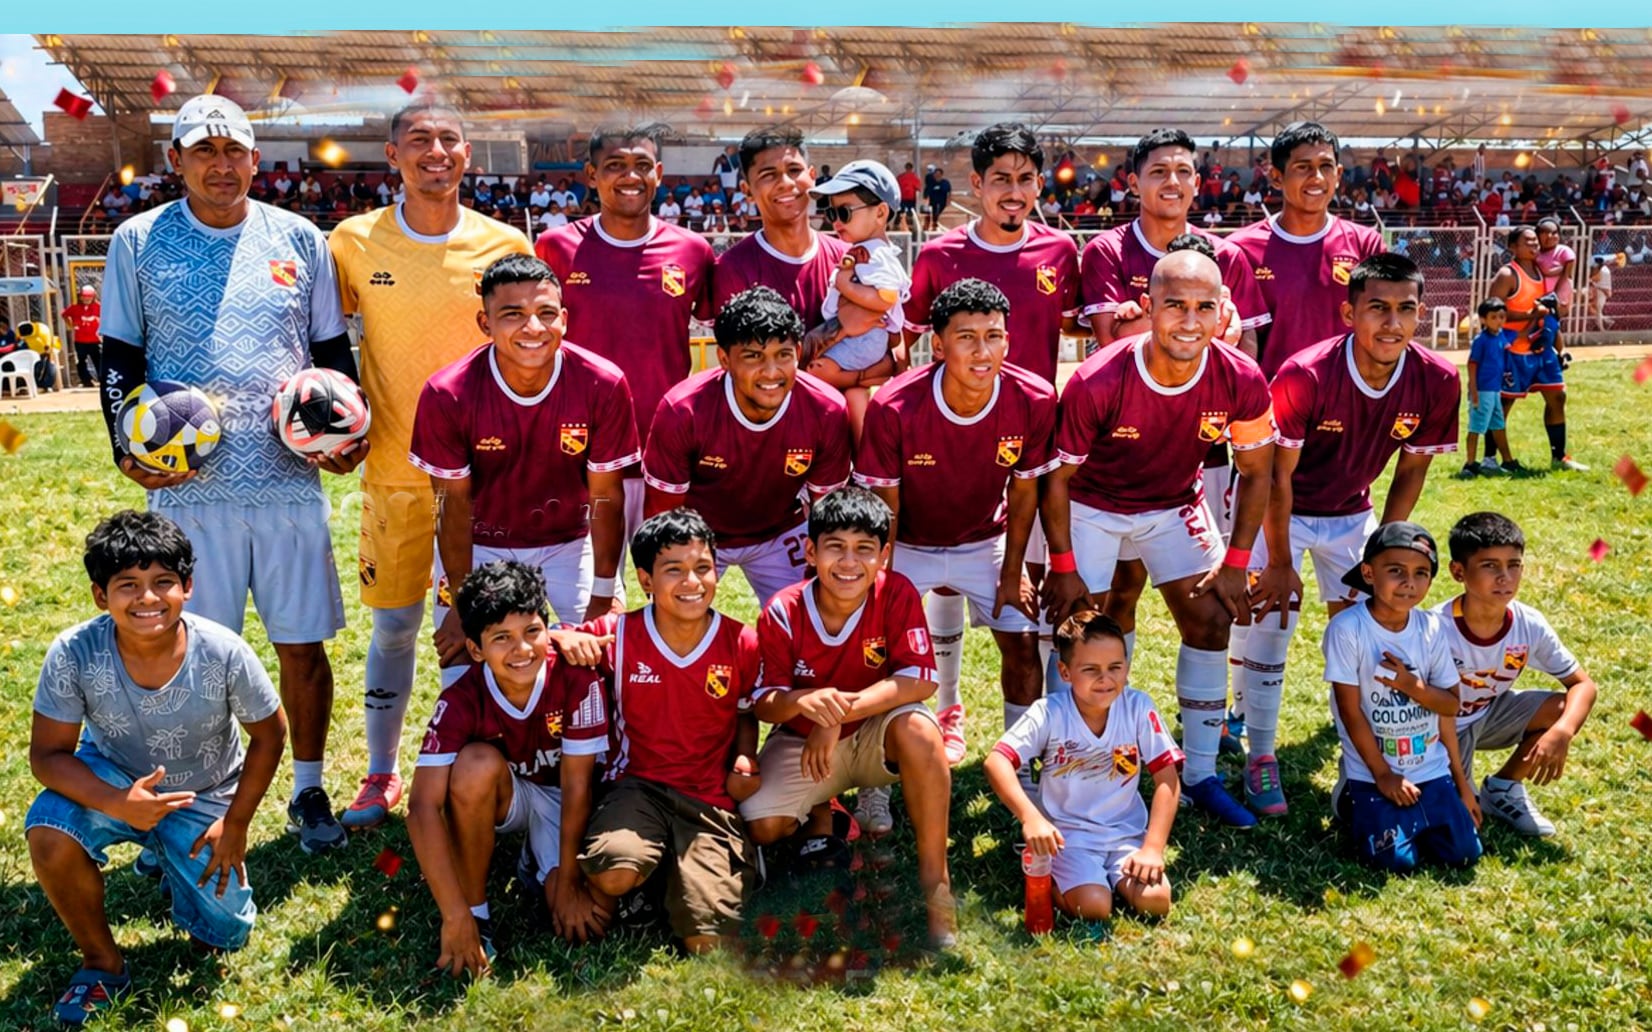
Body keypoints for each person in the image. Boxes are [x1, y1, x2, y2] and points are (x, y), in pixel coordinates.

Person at [97, 95, 359, 855]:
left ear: (253, 158)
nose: (220, 164)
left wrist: (347, 433)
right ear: (175, 160)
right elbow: (118, 356)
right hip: (188, 490)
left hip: (286, 481)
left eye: (233, 150)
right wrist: (125, 446)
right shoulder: (137, 240)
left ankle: (308, 790)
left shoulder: (301, 238)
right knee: (184, 655)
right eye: (202, 151)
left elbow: (331, 357)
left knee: (302, 645)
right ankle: (186, 804)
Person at [329, 99, 532, 831]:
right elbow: (323, 346)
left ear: (468, 154)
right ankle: (380, 774)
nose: (435, 151)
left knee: (471, 628)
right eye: (419, 140)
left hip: (485, 482)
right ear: (393, 155)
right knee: (393, 630)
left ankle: (462, 765)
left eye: (449, 139)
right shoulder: (353, 241)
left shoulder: (503, 240)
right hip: (392, 474)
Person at [1041, 249, 1277, 828]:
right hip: (1092, 506)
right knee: (1079, 631)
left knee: (1211, 619)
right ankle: (1064, 765)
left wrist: (1236, 561)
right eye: (1174, 305)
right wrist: (1065, 564)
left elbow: (1257, 472)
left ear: (1223, 312)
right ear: (1148, 308)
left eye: (1204, 307)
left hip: (1173, 504)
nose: (1189, 321)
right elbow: (1056, 479)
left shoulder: (1241, 377)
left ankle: (1198, 775)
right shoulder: (1100, 377)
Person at [27, 511, 286, 1026]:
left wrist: (234, 824)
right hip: (115, 779)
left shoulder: (224, 651)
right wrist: (118, 802)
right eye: (128, 585)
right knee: (50, 829)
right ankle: (102, 962)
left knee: (222, 934)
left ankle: (167, 855)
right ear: (101, 595)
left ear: (187, 586)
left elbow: (270, 735)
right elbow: (47, 756)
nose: (147, 598)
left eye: (162, 582)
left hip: (207, 794)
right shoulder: (74, 652)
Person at [1241, 254, 1460, 817]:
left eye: (1406, 310)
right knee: (1272, 623)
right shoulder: (1305, 373)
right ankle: (1259, 757)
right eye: (1378, 309)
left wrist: (1385, 547)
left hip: (1352, 517)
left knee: (1368, 638)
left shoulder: (1438, 378)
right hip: (1280, 509)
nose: (1392, 324)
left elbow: (1412, 468)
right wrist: (1282, 558)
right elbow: (1274, 476)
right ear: (1348, 313)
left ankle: (1362, 766)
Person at [738, 487, 957, 948]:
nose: (849, 562)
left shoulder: (895, 592)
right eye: (835, 547)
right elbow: (764, 701)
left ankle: (936, 885)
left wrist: (837, 712)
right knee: (761, 824)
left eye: (864, 549)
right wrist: (805, 703)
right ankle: (827, 812)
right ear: (812, 551)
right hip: (805, 744)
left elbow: (920, 680)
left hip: (875, 735)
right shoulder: (783, 609)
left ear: (884, 555)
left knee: (920, 728)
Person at [410, 254, 638, 690]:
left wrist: (604, 594)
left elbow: (606, 496)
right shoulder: (447, 392)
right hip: (479, 547)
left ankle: (585, 758)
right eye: (513, 315)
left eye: (546, 313)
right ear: (485, 322)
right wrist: (461, 603)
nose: (533, 328)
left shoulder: (601, 382)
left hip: (569, 543)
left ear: (565, 319)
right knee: (464, 671)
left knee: (601, 667)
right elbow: (452, 505)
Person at [854, 278, 1053, 775]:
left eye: (994, 335)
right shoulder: (894, 406)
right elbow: (886, 512)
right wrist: (885, 588)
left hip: (984, 540)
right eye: (967, 337)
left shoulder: (1034, 397)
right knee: (877, 650)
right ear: (938, 346)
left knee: (1023, 640)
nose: (983, 351)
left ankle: (1020, 769)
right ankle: (876, 778)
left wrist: (1013, 571)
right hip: (911, 543)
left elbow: (1024, 490)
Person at [407, 561, 611, 976]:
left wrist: (569, 882)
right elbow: (421, 807)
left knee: (584, 917)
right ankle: (479, 911)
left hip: (575, 796)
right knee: (473, 765)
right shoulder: (462, 699)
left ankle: (538, 865)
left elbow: (577, 789)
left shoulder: (576, 676)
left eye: (532, 632)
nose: (521, 650)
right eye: (502, 638)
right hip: (514, 793)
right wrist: (457, 914)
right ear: (476, 649)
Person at [575, 509, 763, 954]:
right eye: (673, 570)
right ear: (645, 579)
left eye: (702, 568)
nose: (691, 582)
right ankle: (649, 867)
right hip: (636, 787)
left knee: (706, 941)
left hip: (707, 798)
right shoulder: (617, 635)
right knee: (613, 872)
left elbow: (745, 712)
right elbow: (556, 643)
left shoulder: (741, 641)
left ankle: (687, 873)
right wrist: (563, 639)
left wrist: (745, 755)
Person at [536, 124, 715, 549]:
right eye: (615, 165)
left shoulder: (693, 251)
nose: (629, 176)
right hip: (580, 452)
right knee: (587, 593)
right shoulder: (554, 247)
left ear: (658, 173)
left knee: (670, 580)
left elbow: (727, 342)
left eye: (640, 166)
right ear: (590, 175)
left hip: (665, 449)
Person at [642, 286, 852, 608]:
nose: (771, 372)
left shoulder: (826, 409)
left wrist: (820, 577)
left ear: (798, 350)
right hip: (700, 534)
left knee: (821, 611)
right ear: (724, 358)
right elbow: (664, 516)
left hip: (781, 530)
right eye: (754, 356)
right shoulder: (683, 410)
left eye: (783, 355)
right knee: (674, 619)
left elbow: (827, 513)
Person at [984, 611, 1180, 920]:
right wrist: (1030, 818)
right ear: (1064, 671)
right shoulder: (1049, 712)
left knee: (1156, 901)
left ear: (1127, 666)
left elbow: (1167, 779)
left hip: (1125, 836)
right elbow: (996, 761)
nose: (1106, 679)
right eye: (1090, 669)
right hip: (1067, 839)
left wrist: (1152, 848)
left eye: (1115, 667)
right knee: (1094, 907)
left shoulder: (1138, 707)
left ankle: (1107, 877)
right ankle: (1051, 874)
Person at [1324, 522, 1482, 873]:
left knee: (1464, 854)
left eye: (1421, 573)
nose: (1409, 582)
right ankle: (1351, 800)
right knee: (1394, 862)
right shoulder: (1348, 629)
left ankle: (1420, 816)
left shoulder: (1432, 628)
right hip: (1374, 772)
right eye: (1395, 571)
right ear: (1368, 572)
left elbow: (1450, 706)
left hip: (1431, 769)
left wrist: (1462, 785)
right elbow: (1350, 714)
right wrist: (1382, 775)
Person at [1435, 512, 1598, 838]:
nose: (1505, 577)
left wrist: (1563, 731)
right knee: (1456, 831)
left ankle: (1503, 787)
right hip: (1439, 733)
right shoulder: (1433, 628)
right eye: (1490, 566)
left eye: (1514, 565)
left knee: (1563, 708)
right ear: (1458, 572)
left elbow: (1584, 685)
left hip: (1487, 716)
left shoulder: (1528, 623)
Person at [905, 122, 1081, 388]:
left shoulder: (1060, 250)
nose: (1015, 193)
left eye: (1025, 180)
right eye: (1001, 179)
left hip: (1035, 422)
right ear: (977, 183)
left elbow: (1072, 325)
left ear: (1040, 184)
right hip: (959, 420)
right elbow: (901, 339)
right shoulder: (938, 255)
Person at [1228, 122, 1386, 379]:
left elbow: (1381, 329)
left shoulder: (1366, 244)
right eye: (1303, 167)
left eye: (1325, 167)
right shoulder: (1241, 249)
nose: (1318, 178)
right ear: (1277, 177)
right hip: (1271, 406)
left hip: (1345, 403)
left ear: (1339, 173)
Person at [806, 160, 910, 436]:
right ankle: (861, 457)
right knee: (854, 397)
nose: (836, 221)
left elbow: (886, 297)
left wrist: (844, 285)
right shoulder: (865, 250)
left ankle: (855, 379)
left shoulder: (874, 253)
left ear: (880, 213)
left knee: (816, 371)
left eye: (844, 212)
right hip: (864, 338)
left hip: (866, 338)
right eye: (831, 212)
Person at [712, 127, 849, 330]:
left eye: (794, 170)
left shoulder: (846, 259)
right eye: (768, 174)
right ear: (747, 190)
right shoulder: (732, 269)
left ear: (812, 177)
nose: (785, 183)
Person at [1498, 279, 1585, 472]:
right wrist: (1531, 315)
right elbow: (1493, 310)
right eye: (1529, 244)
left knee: (1558, 396)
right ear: (1513, 246)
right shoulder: (1508, 274)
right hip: (1515, 351)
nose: (1534, 246)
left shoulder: (1552, 268)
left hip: (1544, 355)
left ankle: (1559, 456)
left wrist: (1561, 353)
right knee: (1503, 403)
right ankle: (1493, 459)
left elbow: (1554, 328)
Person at [1460, 298, 1516, 477]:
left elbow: (1518, 338)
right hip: (1483, 390)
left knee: (1498, 425)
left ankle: (1507, 461)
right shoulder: (1481, 340)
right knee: (1476, 426)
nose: (1499, 320)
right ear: (1483, 319)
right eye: (1494, 317)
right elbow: (1472, 364)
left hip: (1495, 390)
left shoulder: (1501, 336)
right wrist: (1474, 391)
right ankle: (1470, 464)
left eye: (1501, 316)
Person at [60, 284, 103, 387]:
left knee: (98, 360)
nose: (87, 299)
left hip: (95, 339)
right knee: (81, 361)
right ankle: (86, 380)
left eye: (89, 297)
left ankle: (102, 379)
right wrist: (71, 325)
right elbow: (65, 315)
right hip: (80, 340)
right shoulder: (75, 308)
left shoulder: (98, 307)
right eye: (84, 296)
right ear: (80, 297)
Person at [1534, 216, 1577, 315]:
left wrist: (1557, 297)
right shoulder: (1535, 252)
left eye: (1554, 233)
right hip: (1536, 295)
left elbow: (1566, 276)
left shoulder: (1564, 251)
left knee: (1551, 323)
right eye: (1544, 232)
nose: (1549, 236)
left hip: (1557, 295)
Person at [923, 165, 952, 232]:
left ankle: (936, 223)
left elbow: (949, 192)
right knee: (933, 213)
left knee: (939, 213)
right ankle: (933, 225)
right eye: (936, 174)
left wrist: (949, 200)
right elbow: (927, 191)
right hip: (933, 201)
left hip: (942, 201)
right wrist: (926, 200)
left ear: (941, 175)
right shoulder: (931, 183)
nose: (937, 175)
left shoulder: (945, 183)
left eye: (938, 174)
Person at [896, 161, 922, 233]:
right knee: (909, 213)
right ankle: (907, 227)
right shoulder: (914, 177)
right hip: (909, 198)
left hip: (904, 198)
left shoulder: (901, 177)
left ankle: (900, 226)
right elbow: (918, 189)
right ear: (911, 168)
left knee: (902, 212)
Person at [1589, 255, 1613, 330]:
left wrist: (1591, 281)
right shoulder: (1606, 269)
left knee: (1598, 310)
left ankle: (1602, 328)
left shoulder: (1601, 270)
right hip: (1604, 290)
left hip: (1601, 291)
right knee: (1597, 310)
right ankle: (1608, 322)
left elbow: (1596, 279)